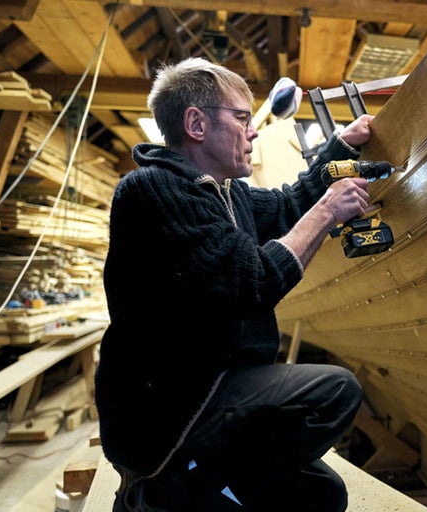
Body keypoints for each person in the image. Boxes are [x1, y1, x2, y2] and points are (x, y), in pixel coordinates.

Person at [94, 56, 374, 511]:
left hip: (216, 386)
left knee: (324, 494)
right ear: (196, 124)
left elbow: (287, 207)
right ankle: (160, 492)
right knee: (335, 391)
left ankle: (194, 490)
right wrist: (327, 211)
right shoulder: (152, 191)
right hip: (167, 410)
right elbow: (253, 283)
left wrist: (340, 146)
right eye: (242, 118)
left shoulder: (226, 192)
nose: (253, 130)